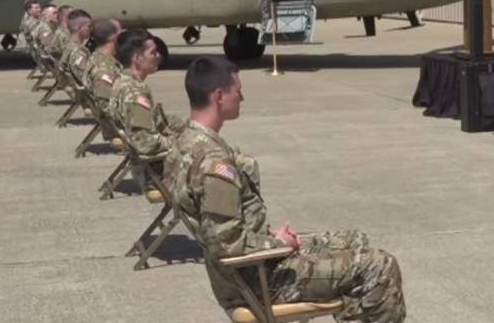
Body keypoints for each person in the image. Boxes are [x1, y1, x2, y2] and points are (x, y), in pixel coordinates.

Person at [164, 56, 406, 322]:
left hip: (254, 264)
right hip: (259, 280)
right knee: (380, 266)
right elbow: (226, 245)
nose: (242, 98)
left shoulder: (186, 144)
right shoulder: (214, 164)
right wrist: (277, 243)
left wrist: (271, 238)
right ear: (219, 96)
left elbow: (226, 233)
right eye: (238, 90)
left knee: (355, 240)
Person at [109, 29, 178, 202]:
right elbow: (144, 142)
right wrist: (179, 142)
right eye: (153, 52)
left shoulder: (126, 83)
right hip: (157, 172)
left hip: (157, 164)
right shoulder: (133, 93)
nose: (158, 56)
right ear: (138, 59)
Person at [84, 18, 124, 150]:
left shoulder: (103, 59)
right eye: (120, 32)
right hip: (119, 126)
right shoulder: (103, 67)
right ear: (113, 37)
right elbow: (105, 105)